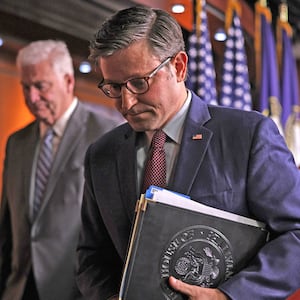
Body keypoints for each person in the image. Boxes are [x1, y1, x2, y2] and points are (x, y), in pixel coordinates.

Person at [75, 6, 300, 300]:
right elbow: (92, 255)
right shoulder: (101, 155)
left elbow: (295, 234)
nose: (126, 103)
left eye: (139, 83)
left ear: (179, 67)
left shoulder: (247, 135)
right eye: (114, 87)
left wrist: (228, 296)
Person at [0, 39, 123, 300]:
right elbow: (8, 226)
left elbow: (116, 230)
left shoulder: (107, 134)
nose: (31, 97)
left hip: (76, 291)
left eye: (41, 86)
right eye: (26, 87)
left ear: (68, 81)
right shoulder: (16, 142)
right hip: (17, 289)